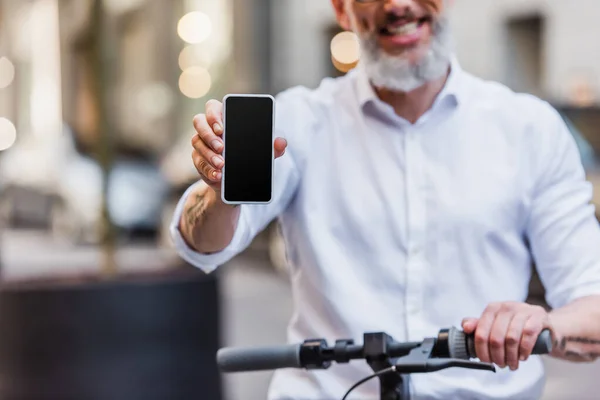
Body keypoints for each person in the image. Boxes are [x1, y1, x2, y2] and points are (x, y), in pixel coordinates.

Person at [170, 0, 600, 398]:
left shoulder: (531, 129)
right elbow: (201, 243)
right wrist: (218, 190)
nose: (398, 4)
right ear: (342, 9)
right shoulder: (297, 122)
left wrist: (541, 323)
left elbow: (593, 306)